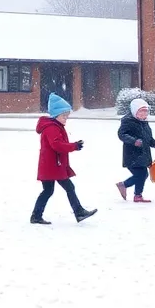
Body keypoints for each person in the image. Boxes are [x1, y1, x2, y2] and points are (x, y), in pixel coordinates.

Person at [31, 92, 97, 224]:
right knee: (66, 188)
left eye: (67, 116)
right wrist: (73, 146)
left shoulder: (55, 126)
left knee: (49, 191)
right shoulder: (51, 128)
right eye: (64, 116)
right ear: (56, 115)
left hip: (52, 165)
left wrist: (72, 146)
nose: (66, 118)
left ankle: (36, 216)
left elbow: (58, 145)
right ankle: (78, 212)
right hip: (53, 165)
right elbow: (57, 145)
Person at [115, 98, 155, 203]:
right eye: (141, 111)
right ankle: (135, 193)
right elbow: (122, 134)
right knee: (142, 174)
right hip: (132, 154)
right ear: (135, 111)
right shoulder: (128, 121)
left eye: (146, 111)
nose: (144, 113)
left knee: (143, 174)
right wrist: (134, 141)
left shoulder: (144, 123)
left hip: (143, 154)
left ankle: (126, 187)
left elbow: (149, 139)